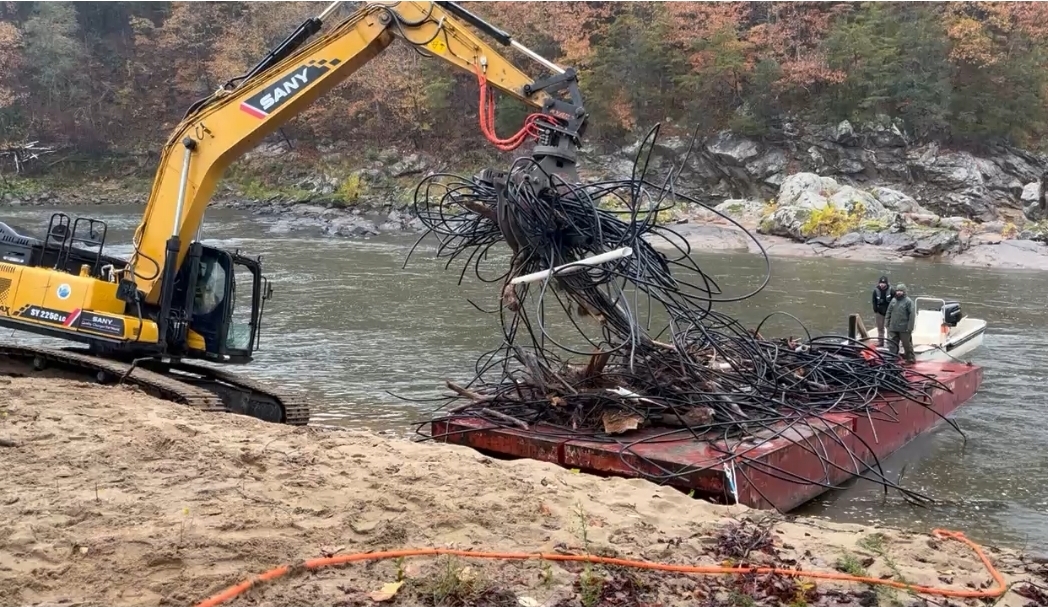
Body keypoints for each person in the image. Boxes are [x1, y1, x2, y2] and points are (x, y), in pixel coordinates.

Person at [884, 283, 916, 364]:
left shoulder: (908, 302)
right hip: (893, 327)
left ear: (904, 292)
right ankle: (893, 359)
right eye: (897, 290)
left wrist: (910, 327)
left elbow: (912, 316)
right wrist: (887, 323)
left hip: (904, 328)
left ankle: (910, 359)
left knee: (907, 344)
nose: (898, 292)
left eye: (900, 291)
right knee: (892, 344)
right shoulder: (893, 300)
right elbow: (888, 312)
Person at [871, 275, 892, 347]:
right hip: (879, 312)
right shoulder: (876, 291)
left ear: (886, 283)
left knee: (889, 328)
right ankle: (881, 342)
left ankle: (890, 342)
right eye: (881, 283)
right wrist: (875, 309)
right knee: (880, 328)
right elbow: (874, 301)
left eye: (884, 283)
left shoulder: (891, 291)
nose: (882, 284)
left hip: (889, 312)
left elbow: (894, 301)